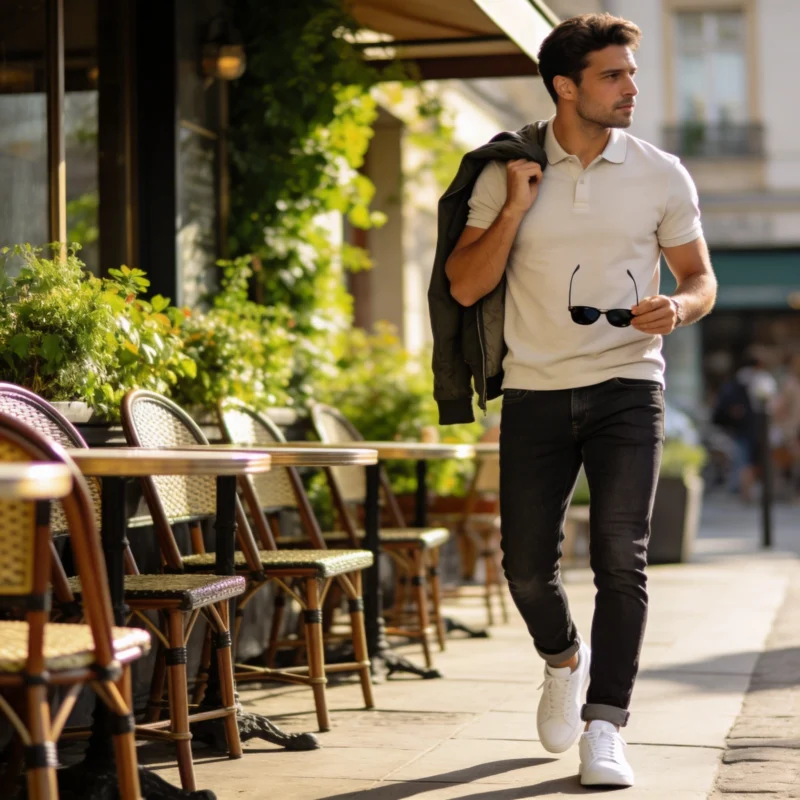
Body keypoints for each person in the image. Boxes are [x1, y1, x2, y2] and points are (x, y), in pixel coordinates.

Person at [439, 13, 717, 788]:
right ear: (566, 87)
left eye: (631, 73)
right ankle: (563, 658)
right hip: (534, 388)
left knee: (620, 559)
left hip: (630, 382)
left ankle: (606, 724)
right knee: (526, 568)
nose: (633, 87)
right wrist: (520, 206)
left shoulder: (663, 172)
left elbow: (699, 279)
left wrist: (682, 308)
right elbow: (464, 284)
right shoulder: (507, 171)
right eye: (613, 75)